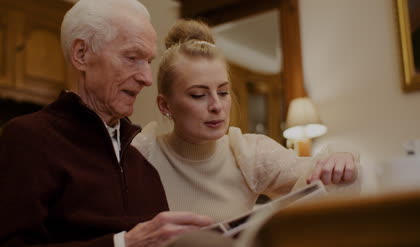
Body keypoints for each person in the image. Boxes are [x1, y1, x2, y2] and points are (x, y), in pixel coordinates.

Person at [0, 2, 213, 247]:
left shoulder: (143, 166)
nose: (146, 79)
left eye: (148, 61)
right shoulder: (28, 139)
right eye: (132, 58)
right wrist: (123, 243)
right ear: (81, 54)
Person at [132, 19, 360, 222]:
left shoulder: (248, 154)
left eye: (223, 92)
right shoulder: (140, 155)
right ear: (165, 105)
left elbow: (321, 177)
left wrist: (342, 156)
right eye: (198, 95)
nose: (216, 106)